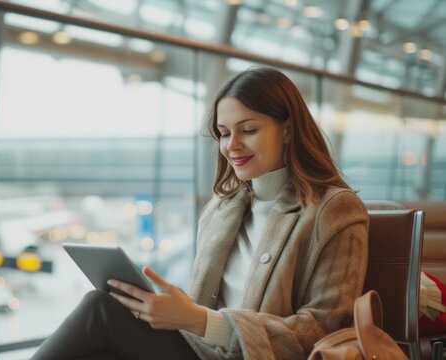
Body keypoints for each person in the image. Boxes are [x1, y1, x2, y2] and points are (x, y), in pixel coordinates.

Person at [31, 67, 368, 360]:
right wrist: (167, 308)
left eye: (248, 130)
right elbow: (200, 308)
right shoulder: (223, 209)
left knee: (99, 310)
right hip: (199, 349)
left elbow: (322, 329)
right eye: (223, 133)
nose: (231, 145)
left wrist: (198, 320)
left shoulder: (332, 209)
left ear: (288, 130)